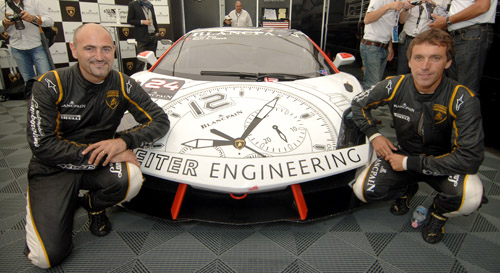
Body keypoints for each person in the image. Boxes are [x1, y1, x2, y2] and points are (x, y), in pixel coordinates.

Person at [25, 23, 170, 268]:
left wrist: (122, 141)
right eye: (90, 49)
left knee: (131, 178)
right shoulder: (49, 84)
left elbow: (160, 121)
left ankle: (93, 207)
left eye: (105, 49)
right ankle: (55, 203)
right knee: (45, 258)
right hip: (53, 169)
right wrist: (107, 154)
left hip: (96, 166)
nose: (99, 57)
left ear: (114, 50)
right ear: (74, 50)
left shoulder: (124, 84)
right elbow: (43, 146)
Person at [351, 29, 484, 244]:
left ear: (448, 62)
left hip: (444, 162)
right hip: (403, 156)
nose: (425, 66)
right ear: (410, 61)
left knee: (471, 197)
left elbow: (471, 158)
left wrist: (409, 163)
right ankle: (406, 189)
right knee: (363, 190)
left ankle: (438, 214)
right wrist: (374, 134)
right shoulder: (394, 84)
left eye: (435, 58)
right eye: (419, 58)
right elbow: (357, 104)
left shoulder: (463, 98)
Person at [428, 0, 496, 94]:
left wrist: (447, 20)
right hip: (456, 34)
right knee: (454, 87)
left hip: (471, 33)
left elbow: (482, 6)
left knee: (465, 90)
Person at [0, 0, 53, 83]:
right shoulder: (2, 4)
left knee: (47, 78)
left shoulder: (34, 1)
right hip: (16, 46)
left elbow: (49, 21)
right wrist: (5, 23)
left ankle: (49, 95)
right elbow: (1, 28)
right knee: (28, 80)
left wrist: (33, 18)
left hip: (36, 45)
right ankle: (31, 96)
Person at [360, 0, 408, 90]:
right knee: (372, 86)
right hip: (372, 46)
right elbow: (367, 19)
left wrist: (389, 46)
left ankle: (369, 102)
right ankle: (366, 103)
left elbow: (394, 24)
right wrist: (388, 6)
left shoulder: (396, 2)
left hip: (383, 46)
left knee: (375, 85)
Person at [397, 0, 450, 74]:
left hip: (428, 40)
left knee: (423, 70)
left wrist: (432, 5)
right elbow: (402, 21)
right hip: (407, 39)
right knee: (402, 71)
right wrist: (406, 8)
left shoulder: (443, 1)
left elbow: (445, 23)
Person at [127, 0, 160, 72]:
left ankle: (151, 77)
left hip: (152, 36)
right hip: (141, 37)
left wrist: (157, 31)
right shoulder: (133, 4)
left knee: (151, 60)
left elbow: (154, 19)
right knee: (141, 61)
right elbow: (130, 20)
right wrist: (142, 22)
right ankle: (138, 79)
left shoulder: (150, 5)